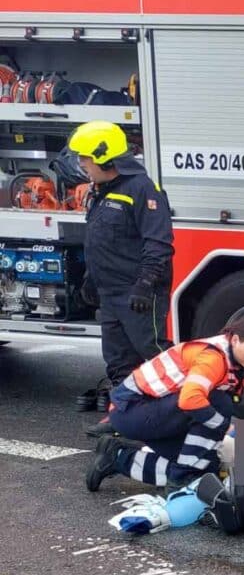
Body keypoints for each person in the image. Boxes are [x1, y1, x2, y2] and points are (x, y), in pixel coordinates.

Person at [85, 317, 244, 493]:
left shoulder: (243, 361)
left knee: (203, 470)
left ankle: (116, 458)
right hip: (133, 412)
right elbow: (190, 399)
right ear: (235, 340)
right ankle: (181, 479)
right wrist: (225, 426)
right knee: (219, 400)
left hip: (154, 411)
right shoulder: (213, 358)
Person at [66, 121, 175, 437]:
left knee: (155, 355)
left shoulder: (142, 189)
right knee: (117, 361)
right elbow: (99, 239)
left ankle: (180, 417)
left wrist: (145, 283)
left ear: (104, 157)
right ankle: (123, 418)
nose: (82, 164)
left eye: (86, 158)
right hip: (111, 293)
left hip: (138, 294)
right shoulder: (100, 190)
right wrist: (89, 280)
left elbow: (159, 242)